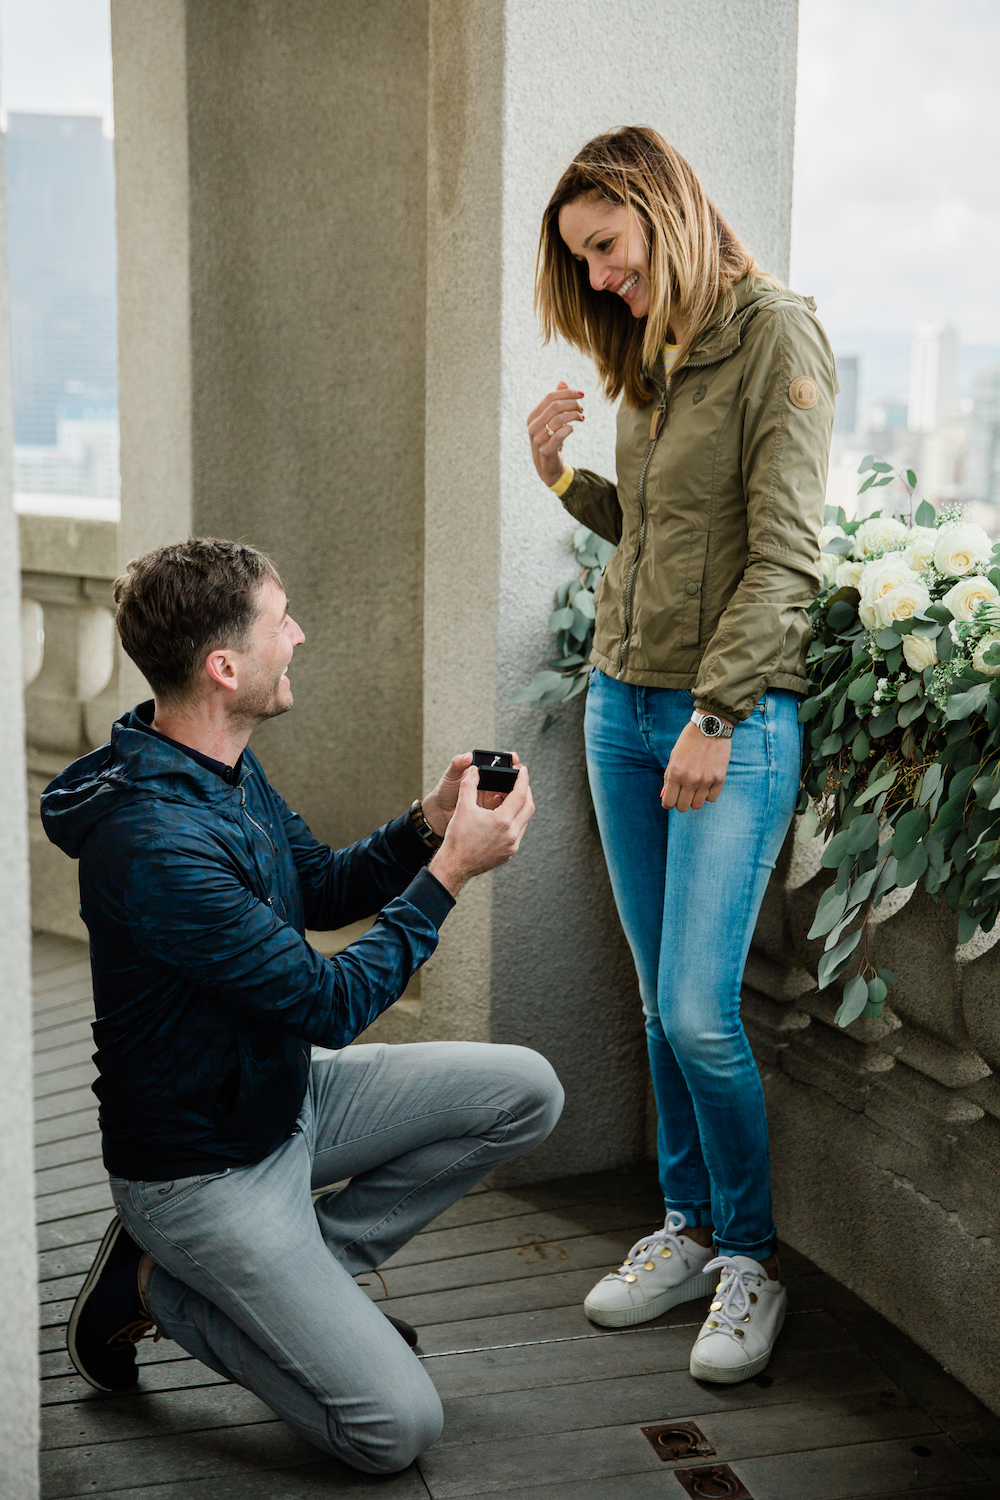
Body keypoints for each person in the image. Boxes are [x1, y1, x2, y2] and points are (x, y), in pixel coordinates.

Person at [41, 537, 563, 1474]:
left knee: (527, 1090)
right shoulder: (156, 844)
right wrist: (450, 874)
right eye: (282, 621)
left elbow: (319, 887)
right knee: (393, 1432)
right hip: (202, 1172)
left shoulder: (218, 763)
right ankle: (171, 1292)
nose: (301, 635)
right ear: (224, 665)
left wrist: (426, 824)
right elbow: (328, 1003)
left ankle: (294, 1276)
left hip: (287, 1101)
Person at [526, 126, 835, 1384]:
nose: (598, 279)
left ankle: (751, 1258)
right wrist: (556, 477)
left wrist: (715, 718)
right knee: (657, 1004)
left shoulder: (777, 335)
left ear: (660, 208)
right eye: (582, 261)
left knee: (704, 1012)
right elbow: (651, 535)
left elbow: (785, 560)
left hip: (730, 724)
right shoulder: (656, 346)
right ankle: (687, 1231)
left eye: (605, 247)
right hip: (621, 709)